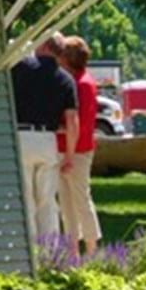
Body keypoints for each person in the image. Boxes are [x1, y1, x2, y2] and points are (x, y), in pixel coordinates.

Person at [9, 33, 78, 249]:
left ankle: (30, 252)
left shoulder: (21, 69)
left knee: (26, 199)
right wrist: (69, 155)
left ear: (45, 46)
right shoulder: (65, 79)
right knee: (47, 201)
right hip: (48, 139)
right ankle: (51, 253)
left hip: (21, 136)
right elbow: (72, 121)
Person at [55, 36, 102, 254]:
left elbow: (78, 123)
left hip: (76, 150)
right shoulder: (81, 80)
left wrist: (69, 157)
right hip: (71, 149)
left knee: (81, 199)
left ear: (67, 58)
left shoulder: (81, 84)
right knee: (67, 202)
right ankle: (72, 251)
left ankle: (91, 249)